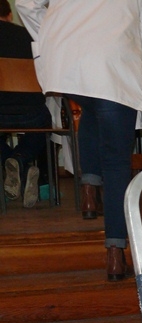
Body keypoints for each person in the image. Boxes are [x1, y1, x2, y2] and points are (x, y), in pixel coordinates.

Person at [17, 0, 142, 281]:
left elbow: (26, 3)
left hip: (67, 56)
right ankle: (115, 253)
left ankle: (89, 191)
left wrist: (52, 35)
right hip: (115, 57)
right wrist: (140, 67)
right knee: (117, 164)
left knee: (93, 105)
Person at [0, 0, 49, 208]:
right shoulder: (31, 36)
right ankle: (21, 160)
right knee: (46, 121)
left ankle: (13, 162)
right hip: (32, 113)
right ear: (10, 14)